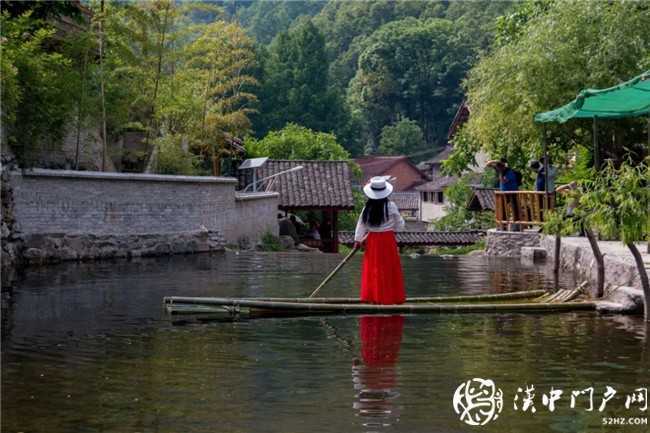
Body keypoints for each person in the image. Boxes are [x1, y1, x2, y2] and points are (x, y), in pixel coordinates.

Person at [353, 177, 406, 305]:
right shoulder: (391, 206)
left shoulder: (367, 208)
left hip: (372, 241)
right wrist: (390, 227)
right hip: (388, 241)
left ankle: (373, 297)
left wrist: (358, 241)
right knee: (388, 269)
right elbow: (400, 226)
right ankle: (390, 298)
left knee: (374, 268)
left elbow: (361, 225)